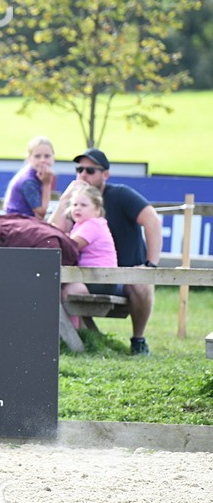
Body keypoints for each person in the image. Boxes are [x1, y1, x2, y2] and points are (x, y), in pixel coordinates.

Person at [48, 147, 163, 355]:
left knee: (142, 282)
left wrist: (150, 265)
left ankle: (138, 340)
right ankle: (80, 338)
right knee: (65, 287)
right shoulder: (76, 204)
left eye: (90, 170)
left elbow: (152, 220)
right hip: (88, 275)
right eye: (79, 170)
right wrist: (65, 199)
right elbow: (52, 234)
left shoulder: (121, 194)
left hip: (126, 273)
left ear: (105, 175)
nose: (83, 175)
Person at [55, 183, 118, 329]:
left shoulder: (93, 225)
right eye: (74, 204)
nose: (77, 208)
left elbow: (70, 246)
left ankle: (72, 331)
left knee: (69, 290)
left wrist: (58, 237)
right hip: (91, 277)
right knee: (61, 286)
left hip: (101, 280)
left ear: (97, 210)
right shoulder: (80, 225)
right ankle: (78, 331)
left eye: (83, 205)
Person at [3, 136, 56, 218]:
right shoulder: (28, 181)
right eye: (37, 156)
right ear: (29, 158)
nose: (42, 160)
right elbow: (41, 212)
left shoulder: (42, 174)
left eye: (47, 156)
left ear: (53, 157)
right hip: (17, 220)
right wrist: (47, 184)